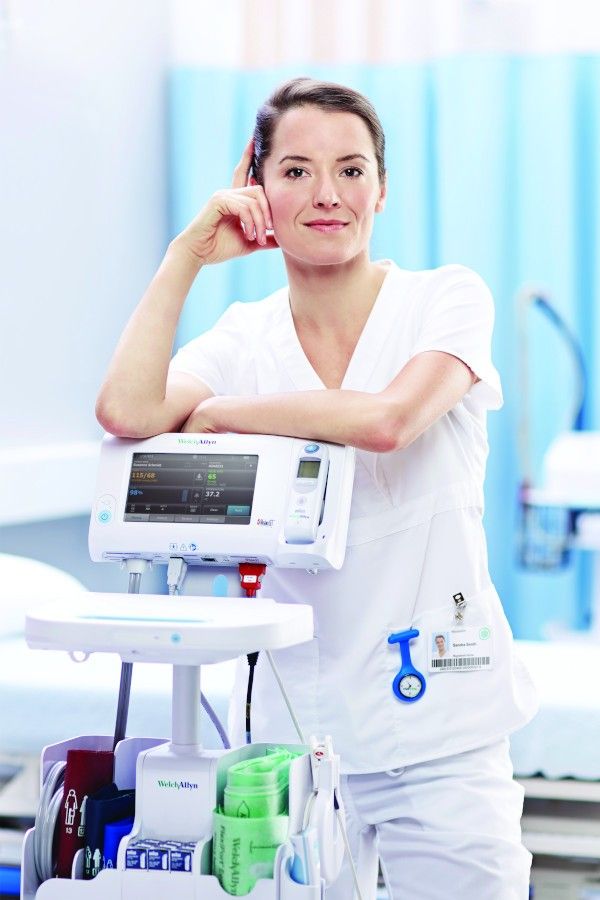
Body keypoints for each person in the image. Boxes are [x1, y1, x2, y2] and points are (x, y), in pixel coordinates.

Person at [96, 77, 538, 899]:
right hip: (294, 740)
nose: (327, 194)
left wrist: (221, 416)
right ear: (256, 186)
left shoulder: (445, 299)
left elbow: (388, 420)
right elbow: (125, 410)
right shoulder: (244, 337)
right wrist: (186, 254)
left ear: (382, 188)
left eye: (351, 169)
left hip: (441, 733)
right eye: (296, 170)